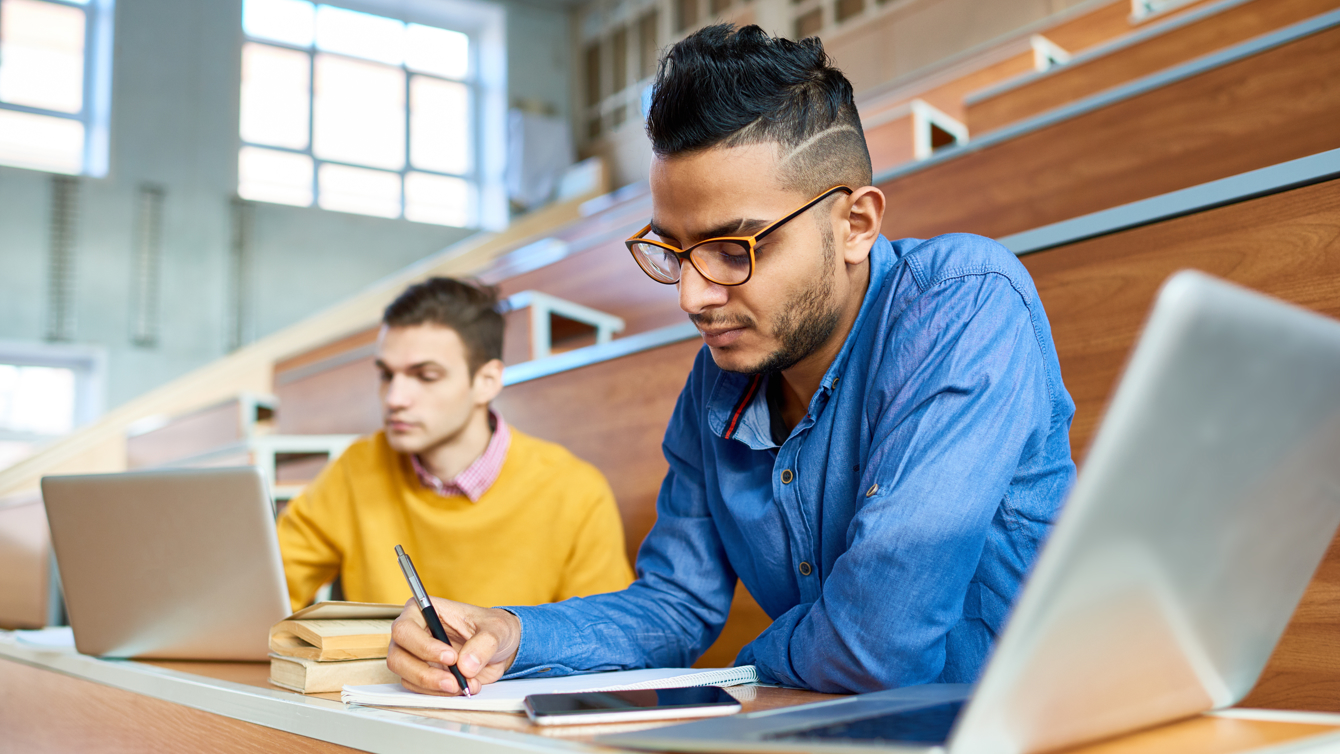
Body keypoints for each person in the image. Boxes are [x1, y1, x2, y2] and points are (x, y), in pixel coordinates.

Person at [386, 25, 1076, 695]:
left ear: (855, 225)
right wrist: (510, 633)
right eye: (674, 251)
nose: (692, 297)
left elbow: (877, 642)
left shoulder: (966, 303)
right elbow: (675, 604)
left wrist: (748, 666)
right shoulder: (717, 381)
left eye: (734, 249)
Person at [276, 277, 634, 613]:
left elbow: (603, 636)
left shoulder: (574, 491)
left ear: (487, 381)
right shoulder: (356, 468)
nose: (395, 398)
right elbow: (268, 591)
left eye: (426, 376)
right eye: (386, 375)